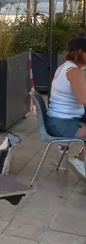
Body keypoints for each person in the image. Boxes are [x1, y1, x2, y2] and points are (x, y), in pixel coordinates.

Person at [47, 36, 86, 177]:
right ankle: (82, 165)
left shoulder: (64, 67)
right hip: (63, 124)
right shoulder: (74, 72)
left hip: (57, 121)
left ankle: (81, 160)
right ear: (80, 52)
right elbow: (85, 100)